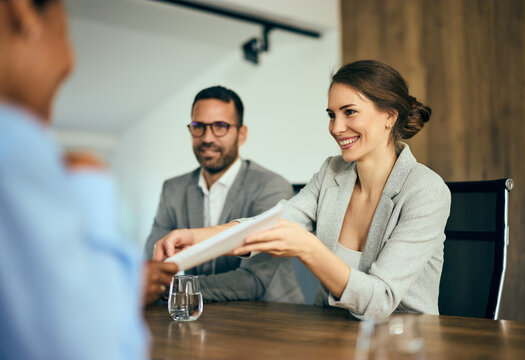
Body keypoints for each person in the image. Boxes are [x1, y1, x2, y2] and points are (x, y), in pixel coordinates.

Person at [154, 60, 452, 320]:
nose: (336, 127)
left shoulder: (425, 191)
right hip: (332, 336)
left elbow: (380, 301)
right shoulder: (332, 171)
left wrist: (308, 248)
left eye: (349, 112)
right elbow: (273, 223)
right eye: (331, 114)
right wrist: (195, 237)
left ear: (390, 115)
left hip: (406, 342)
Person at [0, 0, 149, 358]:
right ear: (21, 10)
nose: (70, 60)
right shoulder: (15, 147)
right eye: (64, 33)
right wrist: (91, 188)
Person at [143, 86, 303, 303]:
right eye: (198, 126)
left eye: (220, 126)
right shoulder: (173, 189)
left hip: (271, 319)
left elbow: (253, 281)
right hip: (201, 318)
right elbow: (153, 262)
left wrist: (174, 291)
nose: (207, 138)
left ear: (242, 134)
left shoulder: (271, 186)